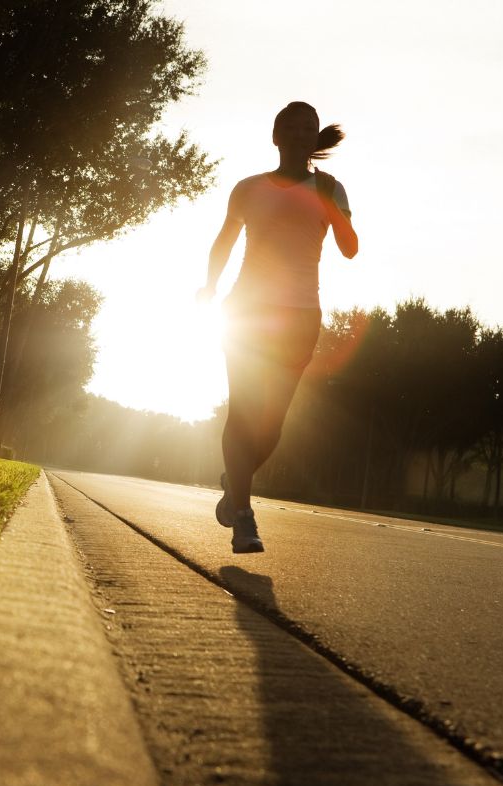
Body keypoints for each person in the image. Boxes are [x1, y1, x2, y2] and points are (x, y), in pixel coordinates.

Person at [198, 101, 359, 553]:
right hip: (247, 313)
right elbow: (224, 240)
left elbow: (350, 249)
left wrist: (331, 204)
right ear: (275, 135)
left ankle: (236, 485)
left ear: (314, 139)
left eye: (309, 128)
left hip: (300, 317)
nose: (300, 134)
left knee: (271, 427)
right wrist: (209, 286)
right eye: (291, 127)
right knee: (244, 413)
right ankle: (244, 519)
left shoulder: (331, 187)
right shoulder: (248, 188)